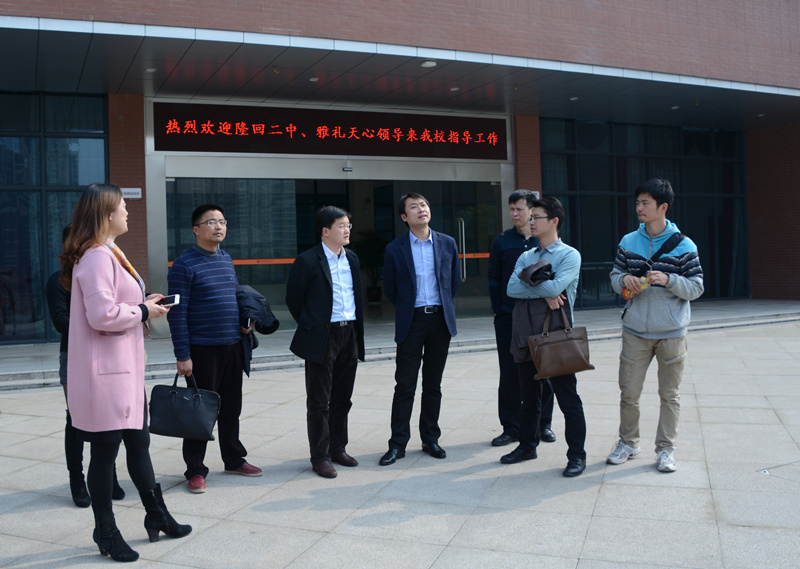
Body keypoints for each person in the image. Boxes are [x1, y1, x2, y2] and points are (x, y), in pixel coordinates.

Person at [61, 183, 191, 562]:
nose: (127, 212)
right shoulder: (97, 257)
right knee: (105, 455)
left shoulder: (108, 253)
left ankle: (157, 514)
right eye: (122, 206)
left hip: (122, 372)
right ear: (106, 214)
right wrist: (144, 311)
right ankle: (106, 531)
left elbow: (115, 304)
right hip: (106, 376)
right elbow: (102, 315)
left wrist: (142, 303)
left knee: (139, 444)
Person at [607, 178, 704, 473]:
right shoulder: (628, 242)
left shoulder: (685, 245)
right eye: (637, 202)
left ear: (663, 207)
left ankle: (665, 450)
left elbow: (696, 287)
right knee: (629, 392)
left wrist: (670, 280)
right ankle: (628, 443)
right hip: (635, 331)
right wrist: (625, 280)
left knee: (669, 395)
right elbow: (614, 277)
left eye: (645, 203)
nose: (639, 208)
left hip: (672, 333)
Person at [167, 204, 262, 494]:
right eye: (211, 222)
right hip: (202, 351)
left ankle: (233, 459)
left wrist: (244, 322)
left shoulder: (225, 259)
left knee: (231, 408)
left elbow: (233, 297)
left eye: (222, 221)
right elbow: (176, 314)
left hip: (232, 346)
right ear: (196, 230)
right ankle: (195, 470)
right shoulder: (184, 265)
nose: (219, 226)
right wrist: (183, 355)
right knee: (200, 413)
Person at [504, 196, 588, 477]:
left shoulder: (569, 255)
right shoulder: (526, 256)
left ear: (554, 221)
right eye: (531, 217)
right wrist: (546, 290)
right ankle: (527, 446)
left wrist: (539, 284)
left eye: (536, 217)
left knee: (568, 398)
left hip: (556, 336)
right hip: (526, 333)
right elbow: (511, 289)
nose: (531, 221)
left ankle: (577, 455)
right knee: (529, 398)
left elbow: (557, 287)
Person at [46, 224, 126, 509]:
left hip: (106, 354)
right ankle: (77, 480)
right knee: (76, 419)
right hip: (74, 356)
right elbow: (60, 322)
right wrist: (98, 321)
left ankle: (108, 475)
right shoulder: (58, 281)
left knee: (109, 418)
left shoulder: (102, 274)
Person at [379, 193, 460, 466]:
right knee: (405, 384)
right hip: (411, 321)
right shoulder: (395, 248)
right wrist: (408, 308)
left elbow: (453, 283)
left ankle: (430, 439)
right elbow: (391, 289)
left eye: (423, 204)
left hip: (440, 320)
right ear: (404, 217)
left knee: (433, 384)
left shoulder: (447, 243)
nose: (421, 209)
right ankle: (397, 444)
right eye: (413, 207)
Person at [286, 206, 365, 479]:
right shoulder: (308, 260)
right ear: (325, 231)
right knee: (319, 401)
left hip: (349, 332)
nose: (347, 230)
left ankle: (337, 448)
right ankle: (320, 456)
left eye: (348, 225)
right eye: (341, 226)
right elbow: (294, 300)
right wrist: (313, 324)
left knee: (343, 397)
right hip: (322, 335)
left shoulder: (352, 258)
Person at [488, 190, 557, 448]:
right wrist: (498, 309)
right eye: (511, 209)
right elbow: (494, 278)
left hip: (541, 316)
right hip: (509, 316)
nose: (515, 214)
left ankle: (543, 424)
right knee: (509, 373)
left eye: (520, 209)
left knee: (545, 370)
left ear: (531, 211)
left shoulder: (544, 241)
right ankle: (511, 427)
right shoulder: (502, 241)